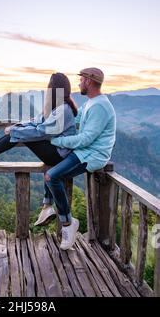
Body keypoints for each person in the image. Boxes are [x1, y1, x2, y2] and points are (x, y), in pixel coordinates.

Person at [0, 73, 78, 226]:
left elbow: (42, 131)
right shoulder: (55, 107)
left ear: (54, 89)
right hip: (55, 151)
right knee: (21, 132)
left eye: (49, 87)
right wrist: (17, 127)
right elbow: (35, 121)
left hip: (60, 155)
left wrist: (14, 131)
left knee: (23, 135)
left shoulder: (64, 109)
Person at [37, 67, 116, 250]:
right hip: (83, 151)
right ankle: (47, 206)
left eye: (81, 80)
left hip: (92, 155)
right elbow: (73, 119)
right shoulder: (91, 103)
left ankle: (68, 223)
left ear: (88, 81)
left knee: (52, 176)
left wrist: (58, 140)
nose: (79, 83)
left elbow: (86, 138)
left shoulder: (99, 106)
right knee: (52, 162)